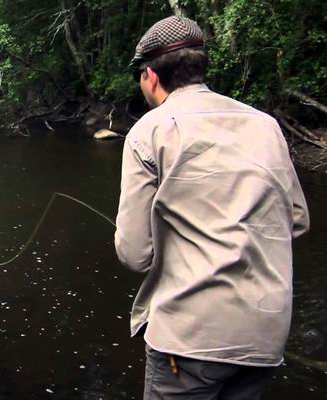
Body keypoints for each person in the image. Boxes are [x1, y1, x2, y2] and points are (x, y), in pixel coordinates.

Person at [114, 16, 310, 400]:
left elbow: (135, 255)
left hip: (189, 340)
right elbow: (297, 221)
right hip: (264, 336)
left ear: (150, 76)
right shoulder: (265, 125)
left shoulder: (150, 130)